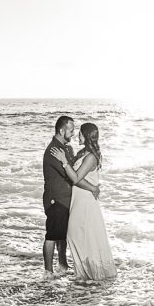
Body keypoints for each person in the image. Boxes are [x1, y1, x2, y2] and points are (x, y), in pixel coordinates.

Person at [49, 122, 117, 281]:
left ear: (87, 136)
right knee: (77, 235)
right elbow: (74, 176)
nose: (77, 136)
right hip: (78, 199)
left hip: (85, 202)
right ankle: (83, 273)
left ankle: (90, 274)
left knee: (77, 235)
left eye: (80, 134)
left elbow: (75, 178)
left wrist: (64, 161)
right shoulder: (83, 153)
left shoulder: (91, 157)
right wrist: (93, 186)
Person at [42, 116, 99, 278]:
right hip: (56, 199)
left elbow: (75, 172)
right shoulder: (55, 150)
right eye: (71, 130)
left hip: (67, 199)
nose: (73, 133)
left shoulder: (67, 149)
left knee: (63, 234)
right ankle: (48, 271)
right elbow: (72, 177)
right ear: (61, 131)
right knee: (52, 235)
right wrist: (92, 187)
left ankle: (62, 265)